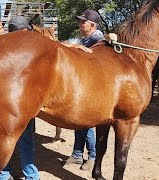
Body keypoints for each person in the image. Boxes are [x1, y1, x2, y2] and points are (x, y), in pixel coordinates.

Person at [63, 9, 104, 172]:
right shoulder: (85, 38)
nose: (80, 24)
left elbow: (96, 60)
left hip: (93, 88)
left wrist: (76, 47)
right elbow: (68, 45)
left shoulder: (98, 38)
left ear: (92, 24)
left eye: (83, 22)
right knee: (78, 123)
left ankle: (92, 157)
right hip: (83, 86)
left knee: (86, 125)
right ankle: (77, 153)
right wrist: (75, 46)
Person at [0, 15, 39, 180]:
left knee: (1, 139)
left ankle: (3, 174)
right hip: (21, 104)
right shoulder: (29, 48)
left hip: (0, 102)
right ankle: (31, 175)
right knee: (26, 139)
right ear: (23, 31)